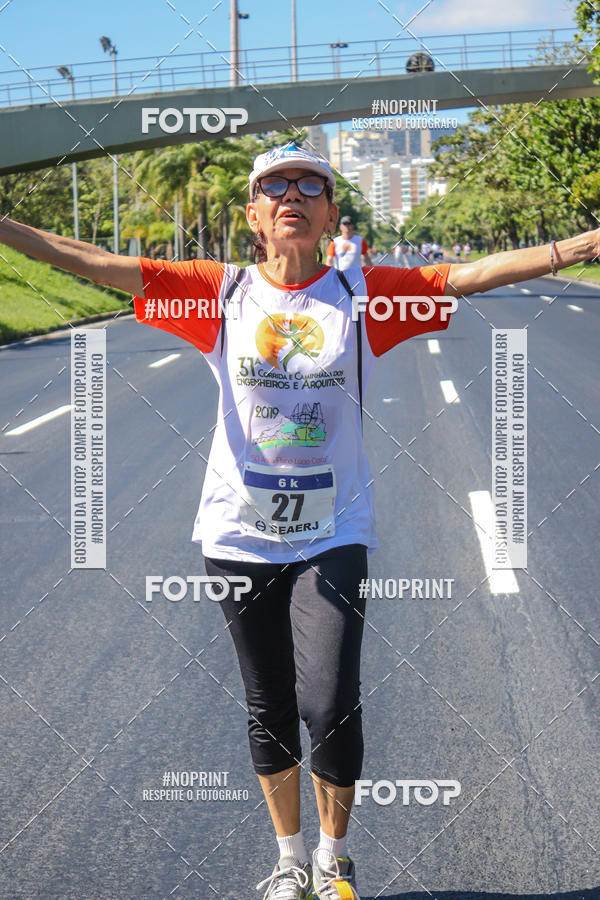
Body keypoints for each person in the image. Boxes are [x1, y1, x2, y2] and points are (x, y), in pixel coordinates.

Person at [1, 140, 600, 899]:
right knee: (269, 705)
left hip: (335, 530)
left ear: (329, 213)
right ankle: (288, 860)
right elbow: (87, 260)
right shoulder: (219, 293)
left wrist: (581, 245)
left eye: (309, 184)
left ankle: (332, 855)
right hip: (238, 532)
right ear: (253, 214)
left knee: (329, 699)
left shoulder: (363, 294)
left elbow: (471, 274)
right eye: (274, 186)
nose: (292, 194)